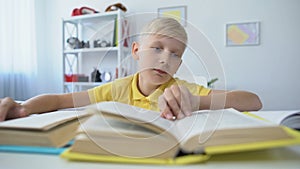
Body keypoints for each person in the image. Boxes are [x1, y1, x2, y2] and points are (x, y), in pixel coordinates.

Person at [0, 17, 262, 122]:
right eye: (157, 48)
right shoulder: (117, 89)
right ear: (136, 50)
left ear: (179, 64)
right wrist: (24, 108)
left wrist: (196, 101)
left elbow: (253, 101)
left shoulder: (183, 90)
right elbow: (59, 100)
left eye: (175, 55)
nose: (164, 60)